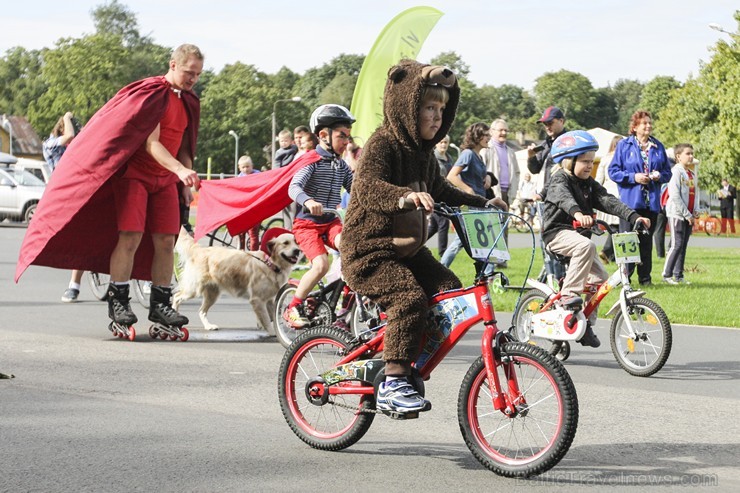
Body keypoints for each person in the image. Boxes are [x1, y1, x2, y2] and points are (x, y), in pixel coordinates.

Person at [341, 60, 505, 415]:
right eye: (428, 107)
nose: (436, 116)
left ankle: (407, 353)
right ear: (406, 106)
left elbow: (442, 189)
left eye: (441, 109)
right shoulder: (383, 144)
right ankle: (394, 380)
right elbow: (367, 186)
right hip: (370, 251)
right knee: (408, 298)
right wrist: (404, 196)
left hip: (407, 250)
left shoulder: (425, 156)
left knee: (450, 290)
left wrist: (482, 202)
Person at [16, 44, 203, 329]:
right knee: (130, 236)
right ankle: (119, 301)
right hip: (136, 177)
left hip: (165, 180)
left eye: (198, 74)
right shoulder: (154, 95)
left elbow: (185, 147)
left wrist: (184, 175)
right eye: (190, 72)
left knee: (167, 242)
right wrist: (179, 169)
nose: (193, 79)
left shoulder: (188, 101)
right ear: (173, 64)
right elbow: (151, 144)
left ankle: (161, 305)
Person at [542, 130, 650, 348]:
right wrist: (577, 213)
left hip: (578, 238)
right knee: (587, 245)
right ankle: (568, 296)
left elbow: (607, 200)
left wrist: (634, 216)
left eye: (592, 161)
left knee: (601, 280)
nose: (589, 166)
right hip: (557, 233)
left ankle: (585, 325)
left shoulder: (589, 183)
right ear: (568, 161)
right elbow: (564, 198)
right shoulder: (559, 179)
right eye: (584, 161)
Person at [282, 104, 355, 329]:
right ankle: (293, 306)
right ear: (323, 135)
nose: (346, 142)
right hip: (308, 224)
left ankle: (345, 306)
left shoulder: (341, 165)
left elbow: (357, 189)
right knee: (321, 265)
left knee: (353, 249)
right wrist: (309, 201)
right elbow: (294, 188)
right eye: (342, 136)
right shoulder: (312, 161)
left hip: (331, 221)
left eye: (348, 137)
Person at [608, 110, 671, 286]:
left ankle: (645, 278)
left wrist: (659, 176)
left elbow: (668, 173)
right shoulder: (623, 145)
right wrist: (633, 177)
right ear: (635, 127)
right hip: (630, 202)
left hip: (650, 202)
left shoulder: (658, 147)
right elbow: (613, 171)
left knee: (645, 242)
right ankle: (624, 277)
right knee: (627, 240)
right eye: (644, 123)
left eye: (650, 123)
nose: (648, 126)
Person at [41, 112, 85, 302]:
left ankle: (74, 285)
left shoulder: (73, 148)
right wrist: (67, 118)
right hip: (61, 197)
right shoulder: (50, 144)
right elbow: (69, 137)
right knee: (75, 241)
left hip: (77, 194)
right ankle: (73, 286)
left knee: (84, 240)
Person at [440, 122, 492, 269]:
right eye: (486, 135)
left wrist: (487, 176)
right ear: (477, 137)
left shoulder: (479, 157)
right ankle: (441, 269)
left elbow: (478, 175)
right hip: (470, 205)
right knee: (461, 242)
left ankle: (486, 275)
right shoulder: (467, 154)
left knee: (483, 241)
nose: (489, 138)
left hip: (480, 205)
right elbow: (451, 176)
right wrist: (468, 190)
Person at [482, 118, 519, 266]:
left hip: (507, 193)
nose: (503, 133)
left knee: (504, 227)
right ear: (492, 132)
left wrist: (515, 192)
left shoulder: (511, 152)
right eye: (500, 130)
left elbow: (516, 173)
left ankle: (502, 260)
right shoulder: (486, 149)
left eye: (505, 130)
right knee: (491, 227)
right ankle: (491, 259)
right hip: (491, 194)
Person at [662, 144, 697, 285]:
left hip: (688, 214)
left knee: (683, 245)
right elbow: (675, 195)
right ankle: (667, 274)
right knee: (676, 244)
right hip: (677, 213)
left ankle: (679, 275)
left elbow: (695, 195)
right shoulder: (676, 172)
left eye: (692, 153)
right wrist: (686, 213)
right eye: (687, 153)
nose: (691, 156)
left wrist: (695, 212)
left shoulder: (691, 174)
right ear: (678, 156)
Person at [527, 106, 567, 200]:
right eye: (545, 124)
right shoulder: (544, 145)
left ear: (561, 121)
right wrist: (531, 157)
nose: (547, 127)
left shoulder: (568, 144)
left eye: (550, 123)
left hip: (560, 196)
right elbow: (534, 170)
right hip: (543, 197)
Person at [594, 135, 623, 264]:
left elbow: (598, 180)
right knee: (618, 227)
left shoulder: (605, 159)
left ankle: (613, 255)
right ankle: (607, 250)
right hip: (619, 194)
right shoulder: (622, 159)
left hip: (606, 194)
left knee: (613, 226)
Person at [428, 135, 453, 257]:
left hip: (446, 194)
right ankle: (443, 253)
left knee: (434, 226)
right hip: (435, 194)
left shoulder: (449, 158)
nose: (443, 144)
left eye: (446, 142)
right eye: (441, 142)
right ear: (436, 144)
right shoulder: (433, 157)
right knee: (443, 223)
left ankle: (416, 245)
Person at [237, 155, 261, 250]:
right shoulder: (239, 178)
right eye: (243, 167)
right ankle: (241, 253)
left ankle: (253, 255)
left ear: (252, 166)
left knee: (253, 233)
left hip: (255, 209)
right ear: (239, 168)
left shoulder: (258, 175)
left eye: (248, 166)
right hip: (244, 209)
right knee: (241, 232)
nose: (246, 169)